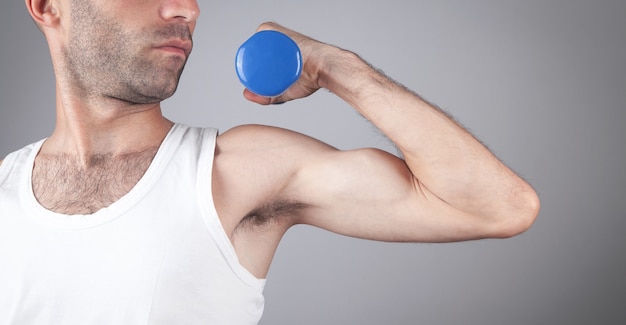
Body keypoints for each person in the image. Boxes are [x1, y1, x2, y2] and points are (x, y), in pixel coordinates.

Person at [0, 0, 540, 324]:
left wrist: (337, 67)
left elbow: (497, 207)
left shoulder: (237, 170)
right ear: (47, 5)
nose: (186, 8)